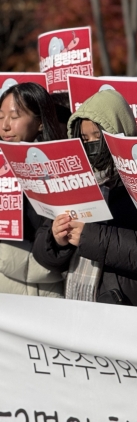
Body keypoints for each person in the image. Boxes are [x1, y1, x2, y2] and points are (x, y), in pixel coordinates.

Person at [32, 90, 137, 307]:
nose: (92, 145)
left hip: (130, 307)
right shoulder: (73, 182)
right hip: (80, 303)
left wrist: (90, 237)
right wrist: (56, 239)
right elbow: (42, 254)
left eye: (98, 137)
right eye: (85, 139)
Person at [0, 83, 66, 297]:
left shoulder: (64, 168)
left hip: (49, 287)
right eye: (1, 117)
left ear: (40, 122)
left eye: (14, 116)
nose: (5, 126)